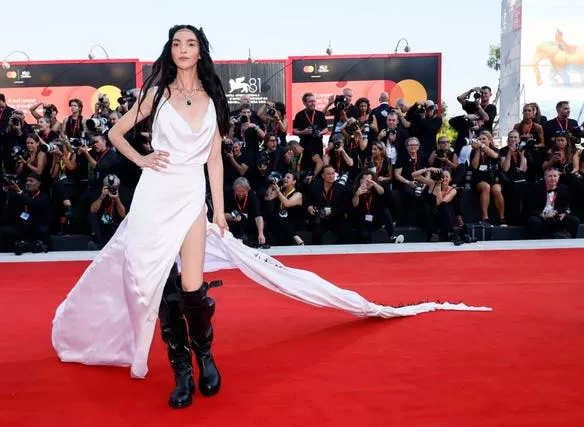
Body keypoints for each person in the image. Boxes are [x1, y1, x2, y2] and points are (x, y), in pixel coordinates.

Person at [51, 24, 489, 411]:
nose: (183, 48)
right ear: (170, 51)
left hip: (189, 196)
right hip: (154, 197)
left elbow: (215, 159)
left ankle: (206, 358)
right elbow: (113, 132)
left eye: (190, 42)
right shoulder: (155, 95)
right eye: (176, 43)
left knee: (192, 288)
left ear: (200, 51)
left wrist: (219, 210)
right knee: (158, 286)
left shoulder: (212, 97)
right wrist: (143, 160)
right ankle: (181, 370)